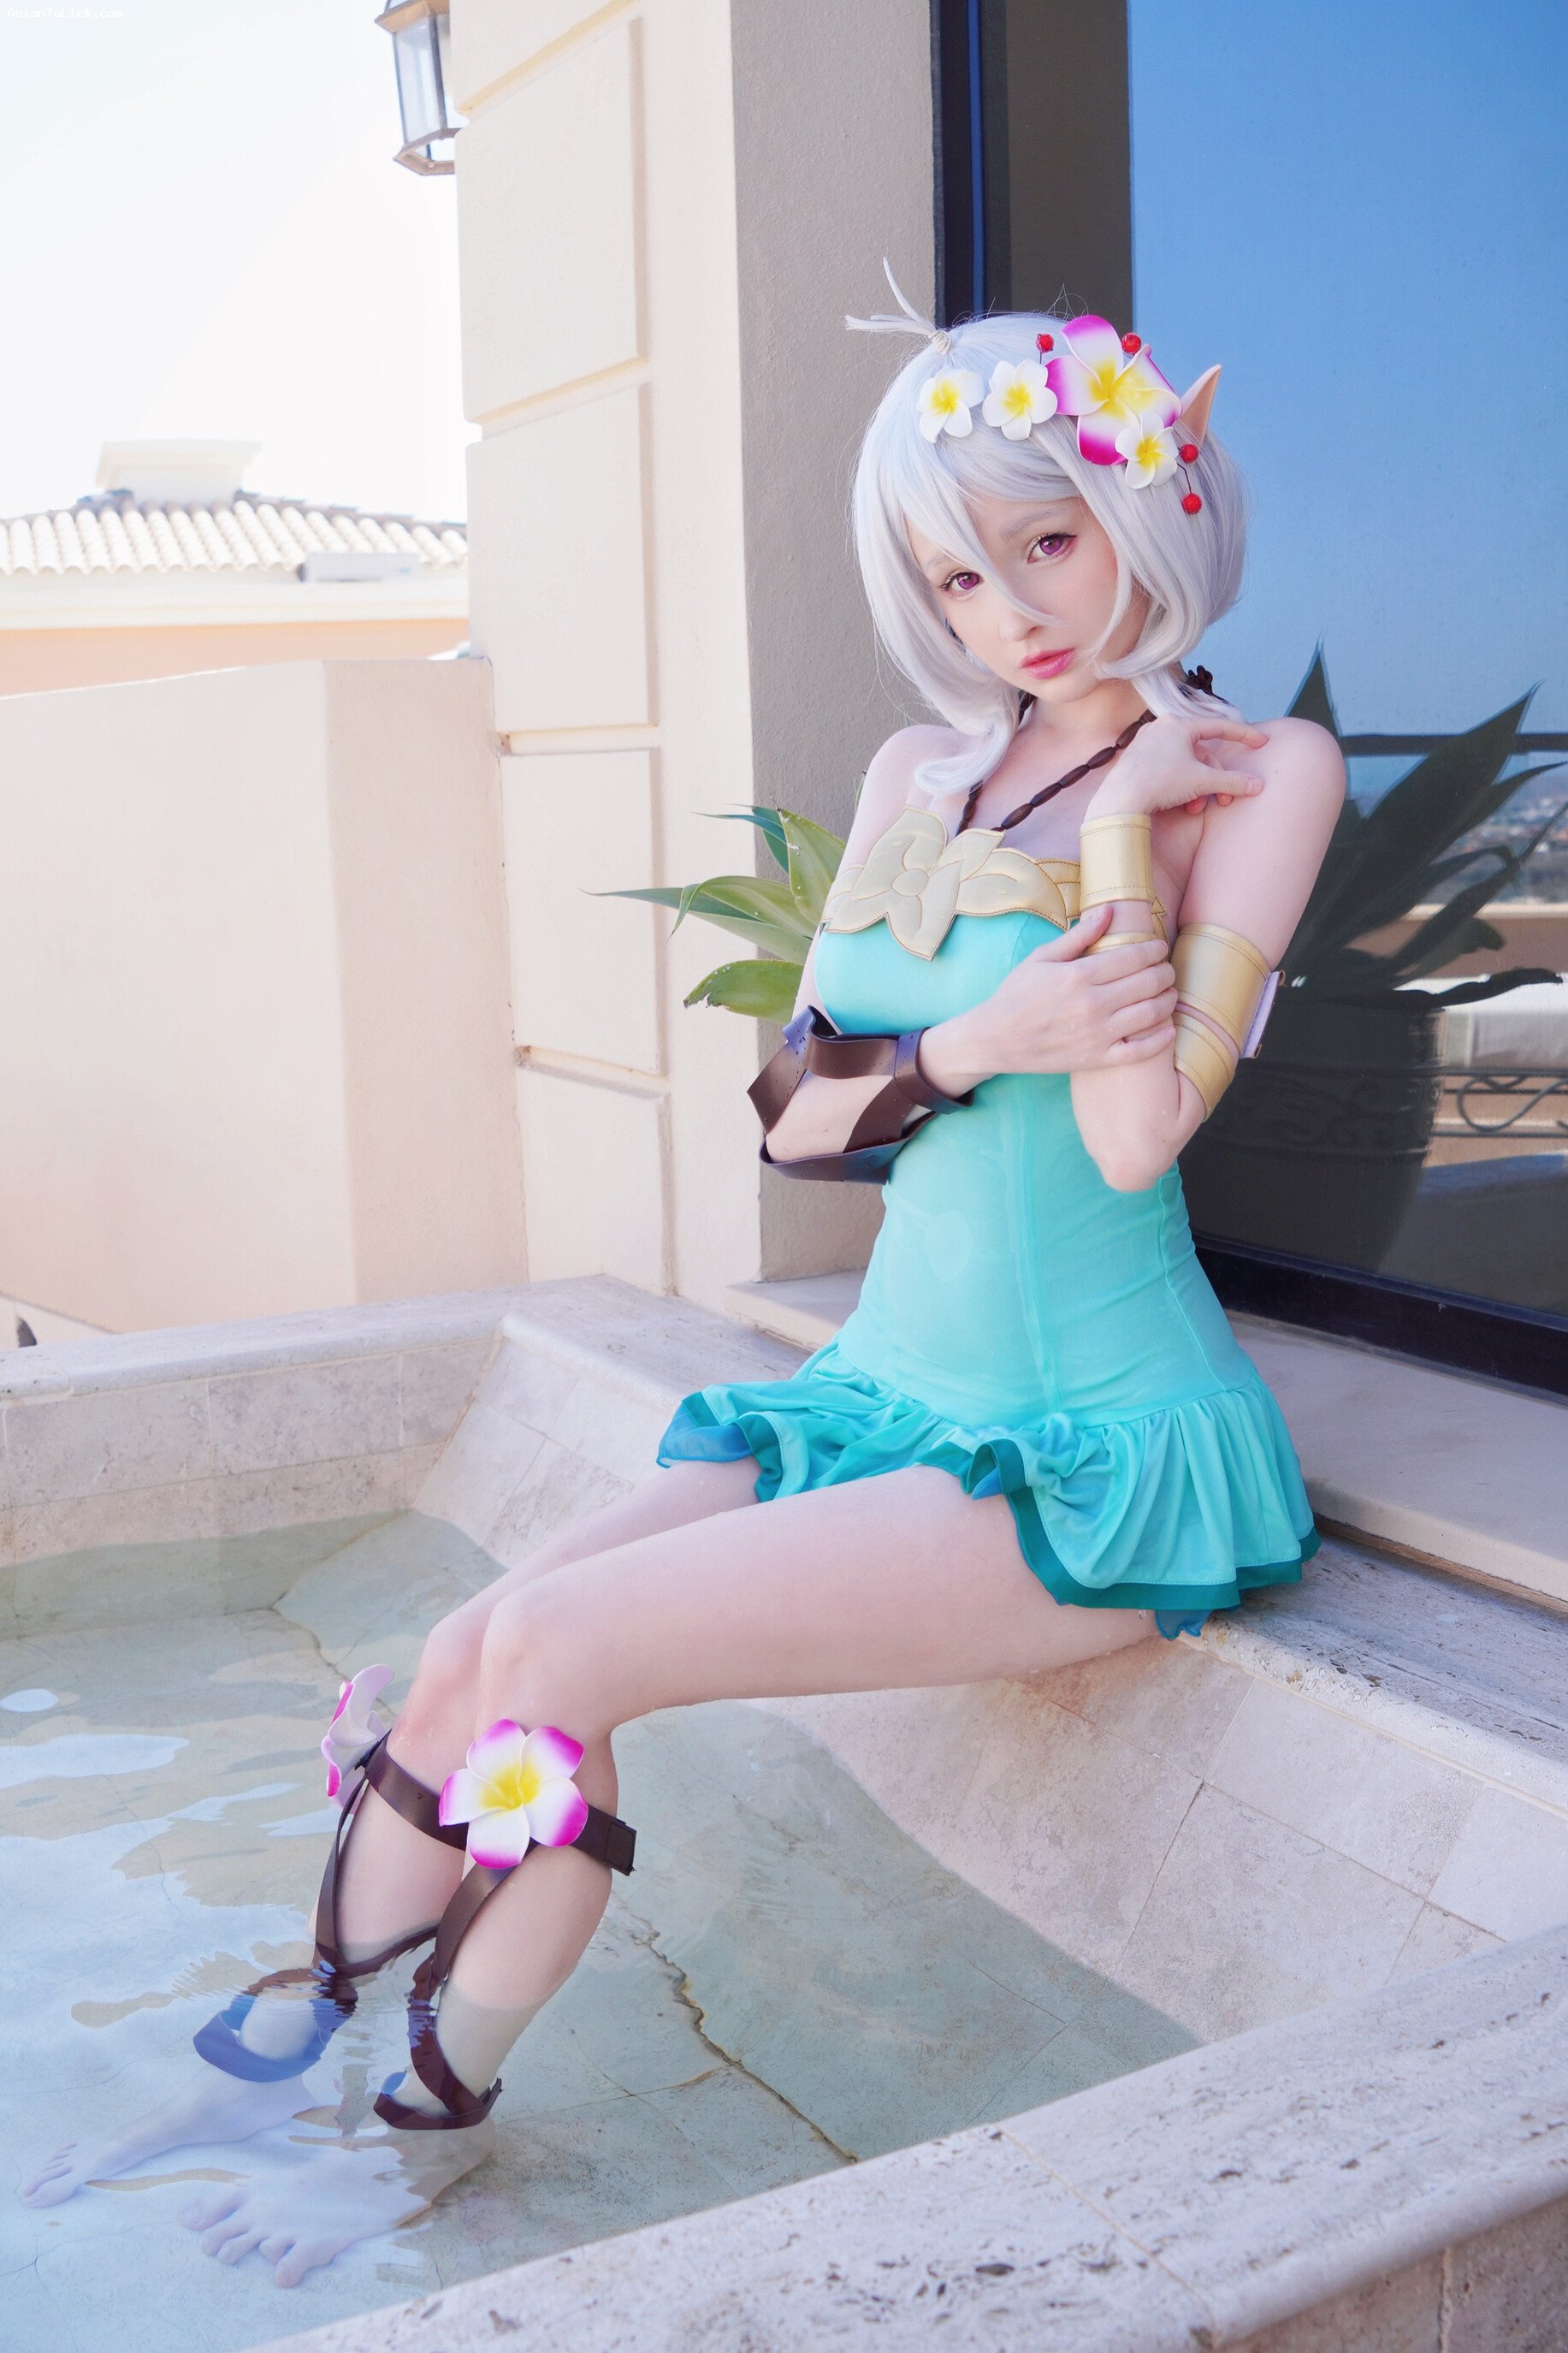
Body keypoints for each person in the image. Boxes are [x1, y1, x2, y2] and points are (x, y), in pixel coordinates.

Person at [23, 287, 1342, 2284]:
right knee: (474, 1637)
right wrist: (968, 1044)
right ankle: (284, 2055)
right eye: (956, 574)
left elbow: (1132, 1137)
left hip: (1089, 1448)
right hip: (879, 1394)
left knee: (557, 1656)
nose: (1009, 611)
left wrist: (1121, 844)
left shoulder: (1257, 769)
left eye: (1045, 541)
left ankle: (414, 2138)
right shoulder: (917, 773)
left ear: (1146, 499)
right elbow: (791, 1113)